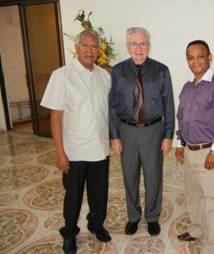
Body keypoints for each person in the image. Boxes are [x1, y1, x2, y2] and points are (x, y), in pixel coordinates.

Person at [41, 30, 111, 254]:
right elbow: (55, 117)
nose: (89, 51)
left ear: (98, 51)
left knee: (99, 195)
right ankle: (69, 233)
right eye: (85, 46)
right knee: (73, 197)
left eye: (94, 47)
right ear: (76, 48)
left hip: (100, 149)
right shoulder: (61, 75)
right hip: (74, 151)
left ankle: (96, 224)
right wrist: (60, 152)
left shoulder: (104, 76)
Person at [108, 27, 175, 236]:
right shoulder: (118, 71)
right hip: (126, 130)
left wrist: (168, 135)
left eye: (143, 43)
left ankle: (152, 217)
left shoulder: (161, 70)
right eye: (134, 44)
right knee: (130, 176)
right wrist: (114, 136)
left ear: (149, 45)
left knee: (154, 176)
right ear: (128, 46)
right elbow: (112, 106)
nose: (139, 48)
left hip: (154, 130)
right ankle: (133, 216)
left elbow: (169, 104)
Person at [175, 40, 214, 254]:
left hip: (210, 154)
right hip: (190, 151)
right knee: (194, 196)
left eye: (200, 56)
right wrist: (180, 144)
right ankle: (197, 230)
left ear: (210, 57)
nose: (195, 61)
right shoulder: (188, 86)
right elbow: (182, 117)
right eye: (191, 57)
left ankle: (210, 245)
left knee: (212, 201)